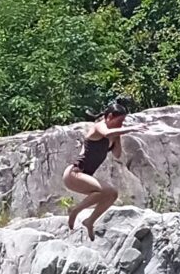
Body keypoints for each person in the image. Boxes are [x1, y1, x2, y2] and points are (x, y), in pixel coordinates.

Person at [63, 99, 151, 240]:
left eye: (123, 121)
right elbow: (106, 133)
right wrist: (132, 129)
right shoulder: (99, 127)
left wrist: (118, 136)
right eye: (119, 121)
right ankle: (75, 211)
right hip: (74, 173)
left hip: (85, 176)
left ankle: (90, 221)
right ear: (109, 117)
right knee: (107, 190)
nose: (121, 124)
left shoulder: (113, 134)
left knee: (111, 195)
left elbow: (117, 154)